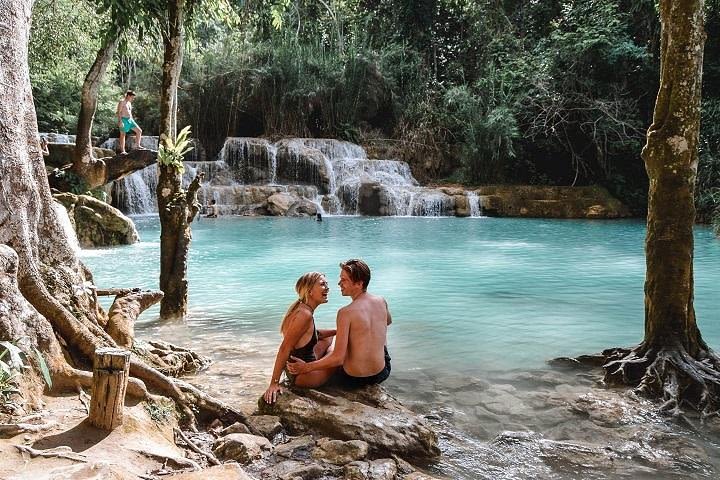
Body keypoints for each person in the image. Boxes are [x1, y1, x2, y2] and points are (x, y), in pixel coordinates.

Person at [287, 259, 392, 389]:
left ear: (359, 284)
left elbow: (338, 359)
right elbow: (387, 321)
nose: (339, 283)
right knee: (377, 339)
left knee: (336, 345)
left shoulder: (345, 313)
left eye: (344, 280)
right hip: (382, 373)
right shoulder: (381, 301)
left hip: (353, 380)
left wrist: (307, 367)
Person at [263, 272, 336, 404]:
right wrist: (274, 383)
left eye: (327, 284)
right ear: (310, 291)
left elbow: (315, 334)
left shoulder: (300, 308)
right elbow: (285, 348)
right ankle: (326, 358)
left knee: (329, 339)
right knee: (339, 355)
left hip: (297, 370)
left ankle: (323, 358)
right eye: (322, 284)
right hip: (304, 377)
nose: (327, 287)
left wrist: (338, 331)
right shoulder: (304, 315)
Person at [116, 90, 144, 154]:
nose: (133, 99)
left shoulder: (129, 103)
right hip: (123, 119)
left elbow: (130, 113)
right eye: (132, 97)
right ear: (128, 96)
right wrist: (120, 122)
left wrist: (132, 120)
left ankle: (138, 145)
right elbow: (118, 112)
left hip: (130, 120)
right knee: (123, 135)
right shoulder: (122, 102)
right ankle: (123, 151)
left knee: (139, 131)